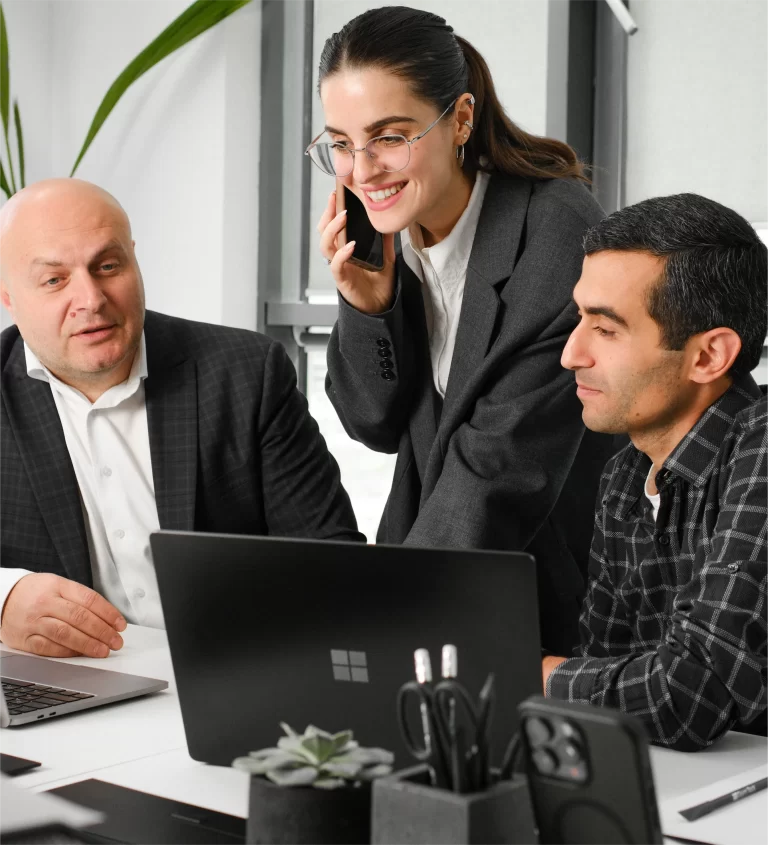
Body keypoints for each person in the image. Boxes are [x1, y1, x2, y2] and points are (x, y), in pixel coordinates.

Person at [310, 7, 614, 653]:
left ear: (462, 120)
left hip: (550, 598)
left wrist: (379, 620)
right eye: (340, 143)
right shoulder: (393, 236)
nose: (362, 172)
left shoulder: (555, 234)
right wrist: (368, 308)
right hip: (438, 584)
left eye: (389, 137)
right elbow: (374, 423)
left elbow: (499, 469)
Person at [0, 178, 362, 660]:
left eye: (108, 266)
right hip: (64, 694)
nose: (91, 299)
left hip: (229, 675)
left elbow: (333, 563)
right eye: (54, 280)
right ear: (8, 296)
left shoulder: (247, 374)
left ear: (134, 260)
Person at [544, 193, 768, 750]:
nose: (572, 353)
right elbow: (609, 673)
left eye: (607, 328)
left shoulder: (762, 444)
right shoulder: (625, 476)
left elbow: (692, 694)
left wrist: (534, 675)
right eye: (580, 318)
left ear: (709, 356)